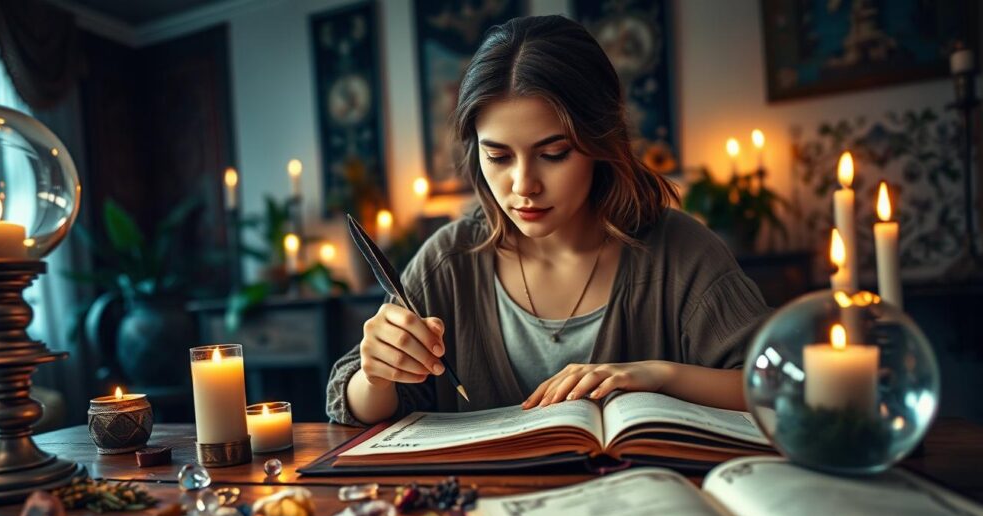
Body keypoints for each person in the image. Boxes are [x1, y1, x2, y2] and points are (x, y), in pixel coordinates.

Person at [326, 14, 771, 426]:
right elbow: (351, 405)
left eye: (553, 154)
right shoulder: (450, 261)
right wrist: (377, 375)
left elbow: (777, 385)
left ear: (602, 141)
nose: (523, 185)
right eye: (497, 155)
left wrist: (658, 376)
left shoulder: (680, 254)